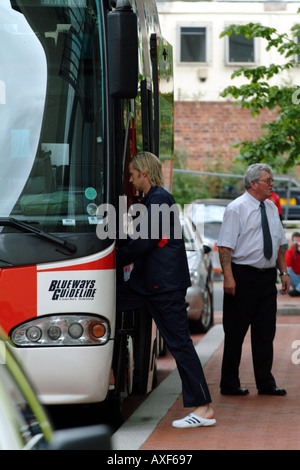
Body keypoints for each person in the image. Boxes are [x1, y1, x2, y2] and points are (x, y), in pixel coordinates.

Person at [116, 151, 215, 428]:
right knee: (104, 303)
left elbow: (144, 243)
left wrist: (114, 258)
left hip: (163, 287)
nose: (130, 178)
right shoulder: (151, 199)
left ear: (144, 173)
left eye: (133, 173)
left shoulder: (159, 199)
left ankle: (204, 408)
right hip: (146, 285)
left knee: (180, 344)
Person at [217, 163, 290, 396]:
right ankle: (229, 383)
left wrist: (284, 272)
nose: (272, 184)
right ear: (253, 183)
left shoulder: (270, 207)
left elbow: (278, 244)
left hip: (267, 279)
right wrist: (228, 278)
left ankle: (265, 383)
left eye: (271, 180)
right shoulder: (236, 208)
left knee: (265, 333)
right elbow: (225, 247)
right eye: (268, 180)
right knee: (235, 333)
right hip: (242, 277)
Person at [285, 231, 300, 296]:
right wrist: (289, 249)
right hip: (296, 277)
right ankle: (298, 289)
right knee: (286, 269)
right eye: (295, 242)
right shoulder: (291, 250)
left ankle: (297, 290)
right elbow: (287, 264)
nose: (296, 244)